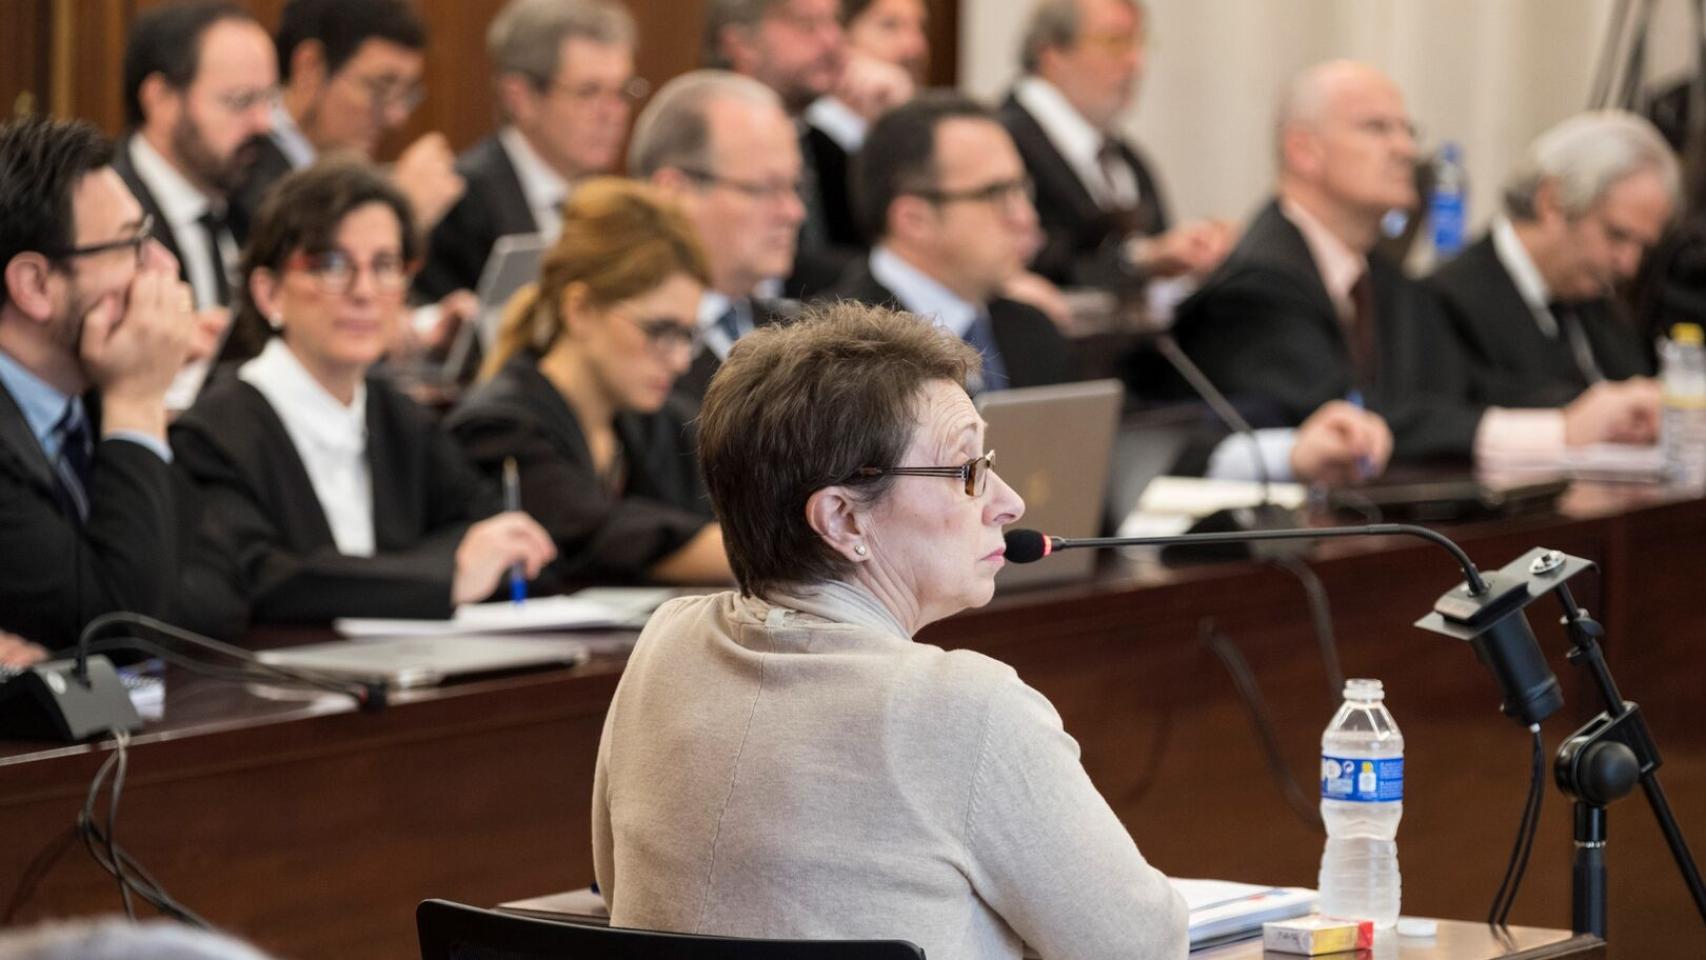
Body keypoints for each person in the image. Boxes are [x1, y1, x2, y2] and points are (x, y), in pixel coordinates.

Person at [592, 301, 1189, 960]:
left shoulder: (665, 645)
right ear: (844, 520)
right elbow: (1142, 947)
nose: (1009, 503)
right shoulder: (968, 708)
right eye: (968, 472)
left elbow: (619, 898)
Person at [1174, 61, 1660, 464]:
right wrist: (1561, 430)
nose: (1406, 149)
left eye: (1408, 130)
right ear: (1303, 151)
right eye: (1376, 128)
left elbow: (1460, 391)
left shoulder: (1381, 278)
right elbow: (1354, 423)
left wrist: (1596, 412)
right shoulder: (1260, 283)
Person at [170, 160, 555, 638]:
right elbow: (259, 578)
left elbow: (491, 534)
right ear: (269, 293)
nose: (365, 291)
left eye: (385, 265)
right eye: (331, 264)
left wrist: (457, 563)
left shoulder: (404, 419)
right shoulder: (213, 434)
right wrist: (446, 574)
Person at [448, 179, 730, 586]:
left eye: (686, 334)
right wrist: (780, 557)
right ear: (579, 310)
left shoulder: (661, 423)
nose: (681, 359)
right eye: (660, 331)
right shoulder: (498, 428)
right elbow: (599, 536)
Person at [0, 117, 196, 651]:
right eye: (132, 246)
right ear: (36, 285)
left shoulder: (86, 395)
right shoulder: (124, 391)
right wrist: (137, 401)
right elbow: (121, 630)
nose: (163, 266)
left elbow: (209, 590)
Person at [221, 0, 467, 366]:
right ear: (310, 66)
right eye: (380, 87)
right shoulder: (244, 166)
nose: (397, 116)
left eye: (406, 93)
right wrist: (401, 212)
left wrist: (415, 327)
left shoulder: (355, 168)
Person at [830, 92, 1074, 392]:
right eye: (997, 195)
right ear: (914, 219)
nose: (1026, 218)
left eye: (1023, 190)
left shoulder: (1032, 331)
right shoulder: (839, 355)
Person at [1429, 111, 1675, 408]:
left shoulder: (1600, 305)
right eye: (1617, 236)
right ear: (1552, 203)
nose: (1629, 265)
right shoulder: (1447, 301)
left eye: (1643, 248)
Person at [417, 0, 642, 302]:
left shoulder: (618, 207)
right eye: (590, 92)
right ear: (520, 97)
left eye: (622, 91)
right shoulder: (461, 206)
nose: (614, 113)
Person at [999, 0, 1232, 291]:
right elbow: (1033, 266)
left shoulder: (1128, 159)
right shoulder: (1000, 147)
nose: (1137, 61)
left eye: (1138, 42)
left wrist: (1194, 256)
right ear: (1053, 52)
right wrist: (1139, 259)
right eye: (1115, 42)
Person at [703, 0, 913, 297]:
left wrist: (893, 121)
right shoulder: (699, 146)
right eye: (808, 25)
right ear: (742, 44)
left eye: (835, 22)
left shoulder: (828, 148)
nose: (834, 41)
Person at [116, 1, 269, 404]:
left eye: (268, 100)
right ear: (161, 99)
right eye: (239, 101)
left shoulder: (260, 198)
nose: (262, 124)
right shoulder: (104, 217)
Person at [628, 70, 805, 403]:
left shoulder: (798, 334)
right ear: (674, 193)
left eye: (794, 187)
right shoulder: (625, 347)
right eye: (767, 188)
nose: (793, 212)